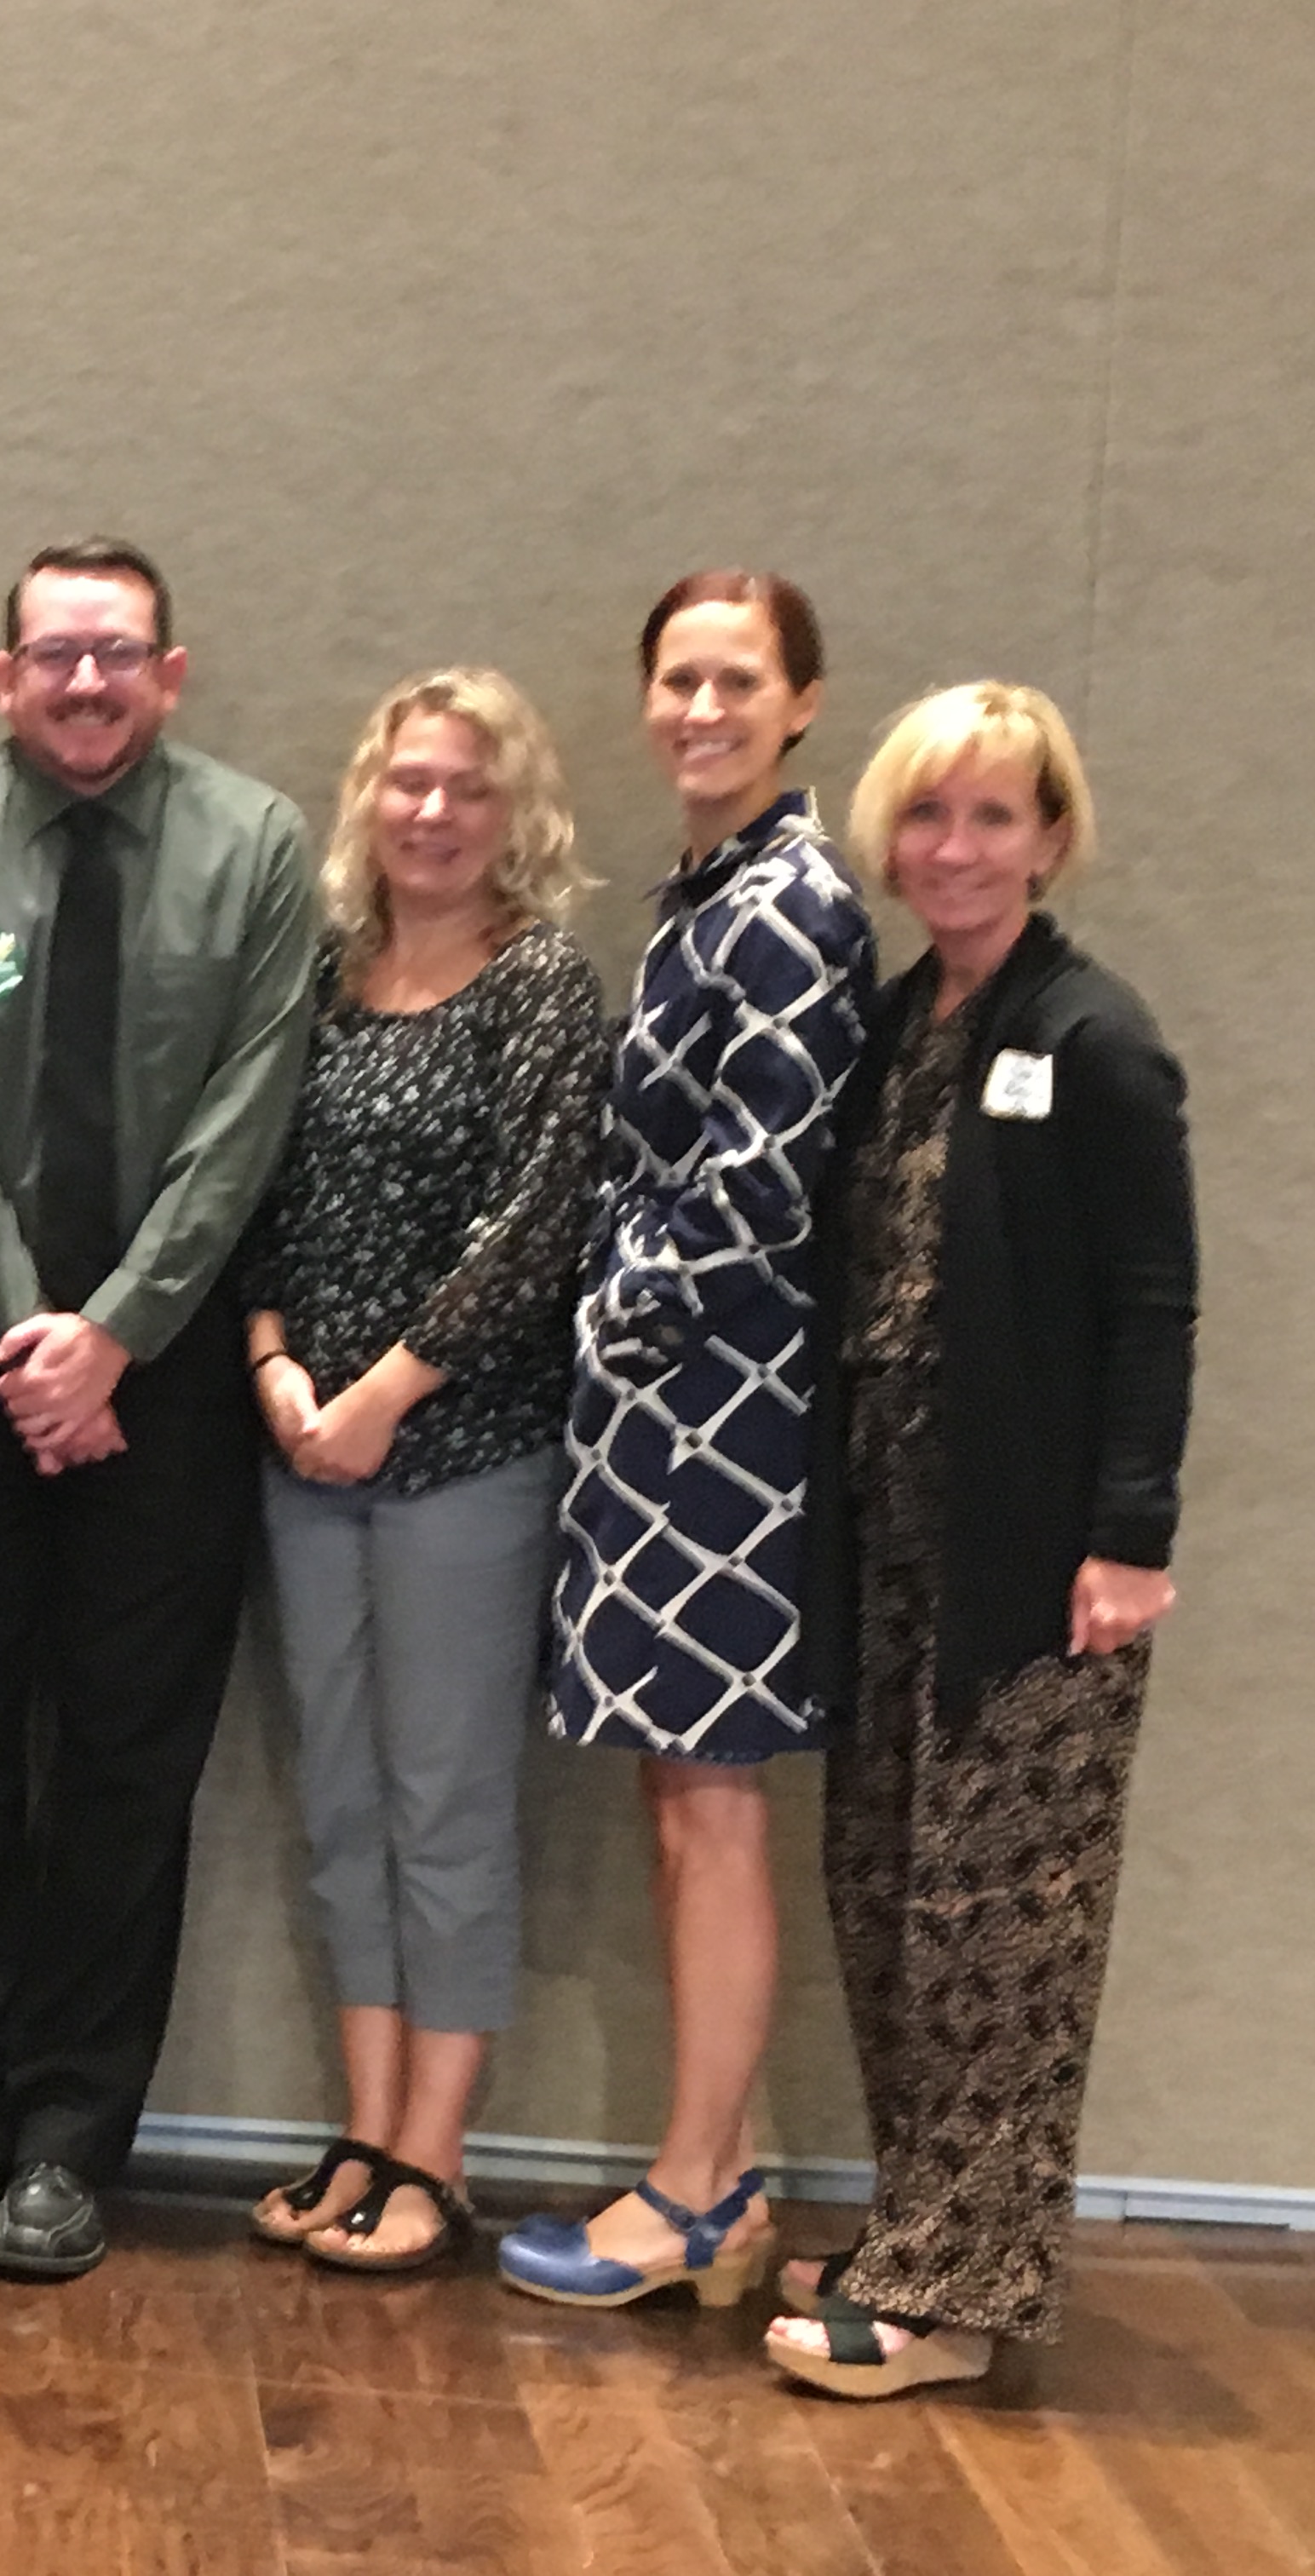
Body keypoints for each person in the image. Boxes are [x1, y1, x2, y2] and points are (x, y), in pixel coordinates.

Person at [0, 538, 318, 2280]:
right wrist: (31, 1344)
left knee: (130, 1758)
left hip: (168, 1374)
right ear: (6, 677)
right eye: (56, 653)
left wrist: (112, 1339)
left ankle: (65, 2139)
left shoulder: (257, 847)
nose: (88, 682)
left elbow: (251, 1111)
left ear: (170, 673)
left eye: (119, 653)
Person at [761, 683, 1193, 2398]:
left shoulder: (1094, 1038)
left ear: (1051, 838)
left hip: (1034, 1566)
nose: (954, 847)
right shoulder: (897, 1028)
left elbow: (1154, 1308)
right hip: (890, 1541)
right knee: (887, 1899)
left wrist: (1130, 1536)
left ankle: (953, 2303)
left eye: (993, 816)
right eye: (929, 815)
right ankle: (917, 2230)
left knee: (999, 1931)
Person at [502, 570, 875, 2309]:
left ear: (803, 703)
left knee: (711, 1814)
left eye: (739, 681)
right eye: (679, 679)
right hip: (662, 1419)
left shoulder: (794, 904)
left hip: (732, 1424)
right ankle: (708, 2170)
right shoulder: (704, 896)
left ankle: (701, 2193)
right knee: (680, 1804)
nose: (703, 710)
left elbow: (762, 1182)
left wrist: (607, 1316)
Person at [238, 670, 605, 2272]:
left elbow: (540, 1224)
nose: (434, 814)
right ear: (368, 799)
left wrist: (385, 1394)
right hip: (303, 1450)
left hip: (461, 1455)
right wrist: (274, 1367)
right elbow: (260, 1191)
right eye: (409, 783)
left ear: (514, 812)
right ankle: (366, 2124)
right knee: (340, 1805)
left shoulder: (542, 987)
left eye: (468, 787)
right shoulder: (324, 983)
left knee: (443, 1806)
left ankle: (434, 2155)